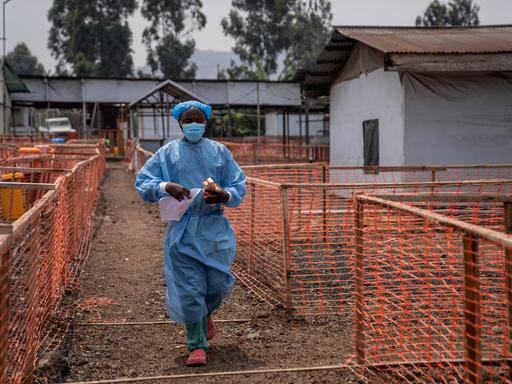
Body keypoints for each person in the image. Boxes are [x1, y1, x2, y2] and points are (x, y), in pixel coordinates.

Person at [135, 100, 246, 367]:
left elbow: (237, 183)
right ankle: (197, 346)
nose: (193, 124)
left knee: (218, 284)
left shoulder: (220, 153)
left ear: (205, 122)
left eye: (198, 119)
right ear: (179, 123)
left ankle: (205, 313)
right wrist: (165, 186)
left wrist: (223, 194)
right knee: (190, 289)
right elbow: (143, 182)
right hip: (183, 231)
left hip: (215, 229)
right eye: (188, 120)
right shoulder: (167, 153)